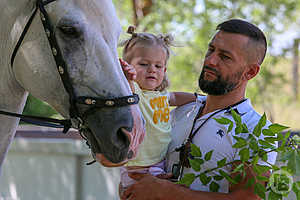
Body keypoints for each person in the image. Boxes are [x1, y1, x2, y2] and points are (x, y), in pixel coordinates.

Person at [121, 19, 278, 200]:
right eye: (211, 50)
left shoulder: (257, 132)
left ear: (250, 72)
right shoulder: (180, 111)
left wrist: (167, 192)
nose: (210, 60)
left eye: (225, 57)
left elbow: (247, 198)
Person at [119, 26, 197, 194]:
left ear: (165, 70)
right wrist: (128, 77)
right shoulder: (133, 93)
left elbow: (175, 97)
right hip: (137, 168)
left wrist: (200, 98)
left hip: (159, 163)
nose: (152, 69)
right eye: (143, 64)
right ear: (128, 66)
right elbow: (127, 85)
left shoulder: (160, 95)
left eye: (158, 66)